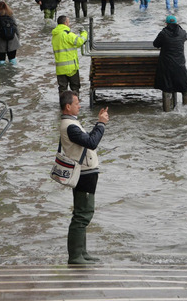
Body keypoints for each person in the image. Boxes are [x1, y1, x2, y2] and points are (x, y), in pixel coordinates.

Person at [58, 90, 110, 265]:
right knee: (82, 214)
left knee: (83, 213)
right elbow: (92, 142)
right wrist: (101, 124)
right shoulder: (70, 126)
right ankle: (75, 256)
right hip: (84, 174)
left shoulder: (71, 123)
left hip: (86, 173)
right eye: (76, 103)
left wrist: (98, 123)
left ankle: (82, 252)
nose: (79, 105)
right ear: (68, 106)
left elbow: (87, 140)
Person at [153, 15, 187, 110]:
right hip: (180, 66)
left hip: (166, 67)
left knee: (167, 90)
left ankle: (167, 111)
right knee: (185, 89)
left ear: (166, 23)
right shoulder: (182, 33)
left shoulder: (163, 33)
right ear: (176, 23)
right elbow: (186, 37)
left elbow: (155, 44)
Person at [51, 15, 88, 94]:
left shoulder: (55, 35)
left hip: (60, 69)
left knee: (62, 90)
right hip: (71, 68)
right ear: (65, 23)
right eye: (69, 22)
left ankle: (63, 105)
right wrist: (84, 33)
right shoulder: (67, 34)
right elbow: (80, 41)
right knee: (75, 88)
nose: (69, 24)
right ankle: (74, 105)